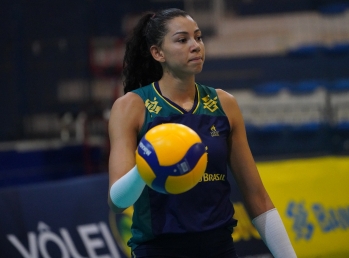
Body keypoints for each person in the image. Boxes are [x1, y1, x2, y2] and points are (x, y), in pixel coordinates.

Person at [108, 8, 297, 258]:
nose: (196, 46)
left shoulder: (224, 104)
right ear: (158, 53)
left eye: (198, 37)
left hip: (219, 248)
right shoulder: (131, 106)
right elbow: (117, 202)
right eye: (182, 39)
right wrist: (149, 165)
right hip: (157, 250)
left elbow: (257, 198)